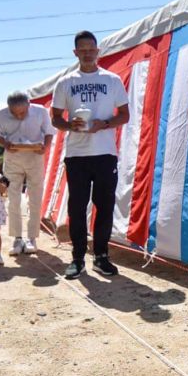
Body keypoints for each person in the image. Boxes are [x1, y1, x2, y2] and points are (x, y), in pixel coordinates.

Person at [51, 31, 130, 280]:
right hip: (76, 154)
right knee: (77, 206)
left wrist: (104, 124)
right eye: (82, 49)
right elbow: (55, 118)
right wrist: (68, 126)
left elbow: (124, 115)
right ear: (75, 53)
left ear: (98, 51)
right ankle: (77, 258)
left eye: (91, 49)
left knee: (105, 206)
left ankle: (101, 256)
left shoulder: (112, 80)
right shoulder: (65, 82)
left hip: (105, 153)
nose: (87, 53)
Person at [0, 90, 54, 256]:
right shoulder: (1, 115)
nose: (19, 116)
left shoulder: (41, 111)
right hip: (12, 159)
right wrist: (5, 143)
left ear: (29, 104)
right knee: (13, 199)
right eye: (15, 113)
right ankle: (17, 238)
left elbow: (49, 132)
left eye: (23, 112)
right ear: (8, 108)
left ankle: (32, 237)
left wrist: (45, 147)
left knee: (35, 197)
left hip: (35, 157)